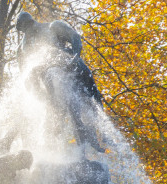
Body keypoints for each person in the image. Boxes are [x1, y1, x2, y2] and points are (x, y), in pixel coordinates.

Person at [15, 11, 105, 153]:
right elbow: (24, 74)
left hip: (69, 66)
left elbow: (75, 37)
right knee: (56, 108)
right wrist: (37, 94)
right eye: (22, 31)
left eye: (26, 28)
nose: (26, 33)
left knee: (86, 77)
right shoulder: (21, 48)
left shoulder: (53, 26)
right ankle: (56, 144)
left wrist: (75, 56)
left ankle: (100, 122)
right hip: (45, 76)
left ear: (31, 22)